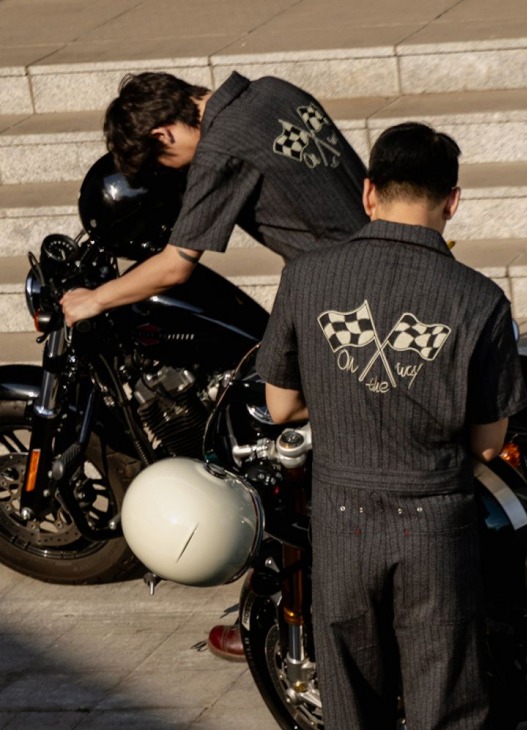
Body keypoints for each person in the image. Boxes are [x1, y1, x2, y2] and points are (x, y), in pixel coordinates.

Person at [254, 122, 527, 730]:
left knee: (357, 724)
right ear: (454, 202)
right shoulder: (478, 299)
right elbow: (488, 440)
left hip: (340, 523)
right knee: (447, 723)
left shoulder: (309, 276)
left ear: (368, 192)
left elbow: (280, 406)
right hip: (434, 528)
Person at [60, 70, 368, 661]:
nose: (172, 172)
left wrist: (95, 298)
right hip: (382, 253)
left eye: (164, 163)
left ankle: (289, 604)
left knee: (266, 427)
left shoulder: (222, 145)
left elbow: (177, 265)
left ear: (164, 133)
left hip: (343, 293)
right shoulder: (272, 92)